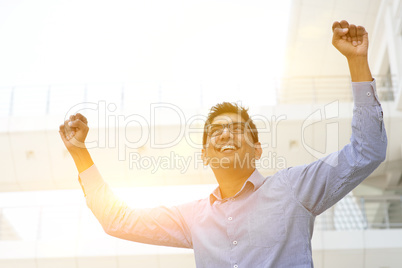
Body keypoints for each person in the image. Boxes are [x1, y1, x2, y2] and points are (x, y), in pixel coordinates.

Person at [59, 20, 387, 267]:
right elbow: (117, 220)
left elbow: (367, 152)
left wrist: (356, 62)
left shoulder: (293, 188)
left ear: (257, 150)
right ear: (204, 154)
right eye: (216, 131)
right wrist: (79, 153)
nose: (226, 134)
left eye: (236, 129)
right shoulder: (193, 218)